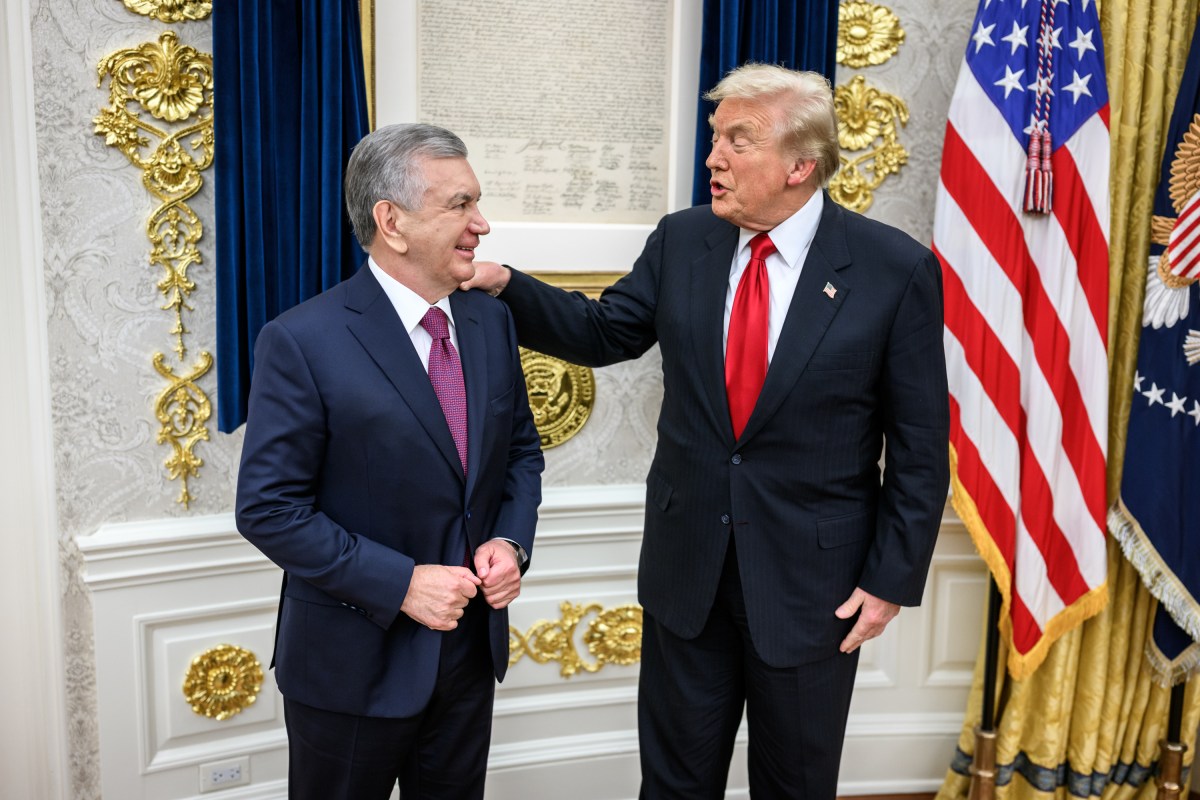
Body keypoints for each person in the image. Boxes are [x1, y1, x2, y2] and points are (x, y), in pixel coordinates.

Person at [465, 64, 950, 798]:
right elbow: (606, 331)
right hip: (687, 571)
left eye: (737, 141)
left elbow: (918, 445)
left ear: (800, 165)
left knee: (794, 784)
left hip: (812, 587)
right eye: (715, 137)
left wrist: (890, 581)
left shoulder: (893, 269)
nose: (713, 158)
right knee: (673, 784)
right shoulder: (683, 239)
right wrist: (505, 283)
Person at [235, 123, 544, 800]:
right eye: (460, 205)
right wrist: (400, 583)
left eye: (477, 203)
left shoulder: (492, 322)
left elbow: (520, 452)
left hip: (467, 654)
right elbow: (268, 509)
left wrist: (510, 540)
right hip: (351, 667)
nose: (481, 225)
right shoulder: (301, 340)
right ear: (392, 222)